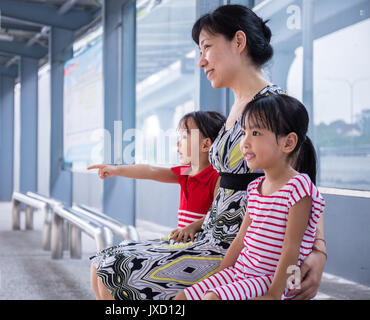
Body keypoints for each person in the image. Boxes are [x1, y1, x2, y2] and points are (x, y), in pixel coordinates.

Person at [92, 4, 327, 300]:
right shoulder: (235, 108)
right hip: (210, 237)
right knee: (105, 263)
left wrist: (318, 253)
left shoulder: (272, 109)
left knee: (116, 271)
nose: (201, 62)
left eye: (206, 48)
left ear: (238, 42)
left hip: (242, 253)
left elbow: (301, 183)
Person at [182, 94, 325, 300]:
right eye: (244, 133)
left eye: (255, 132)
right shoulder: (255, 187)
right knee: (182, 298)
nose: (245, 143)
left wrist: (274, 295)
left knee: (212, 298)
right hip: (243, 272)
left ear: (288, 142)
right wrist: (221, 276)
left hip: (270, 278)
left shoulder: (299, 187)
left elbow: (291, 248)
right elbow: (240, 240)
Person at [88, 111, 226, 240]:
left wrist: (193, 227)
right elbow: (151, 171)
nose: (178, 143)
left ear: (205, 145)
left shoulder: (217, 177)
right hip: (183, 242)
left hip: (201, 246)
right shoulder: (186, 172)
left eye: (184, 137)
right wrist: (116, 170)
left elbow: (219, 213)